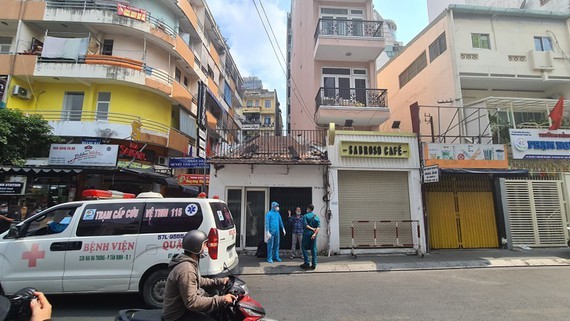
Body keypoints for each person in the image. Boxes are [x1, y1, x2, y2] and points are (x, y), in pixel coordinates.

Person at [162, 230, 236, 321]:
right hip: (177, 315)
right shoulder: (186, 269)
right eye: (205, 244)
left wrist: (220, 281)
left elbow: (199, 281)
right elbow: (192, 302)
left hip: (184, 308)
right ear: (196, 247)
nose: (206, 247)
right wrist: (222, 299)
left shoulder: (189, 262)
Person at [300, 204, 320, 270]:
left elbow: (305, 225)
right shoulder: (316, 217)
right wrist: (314, 234)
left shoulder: (305, 216)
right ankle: (314, 264)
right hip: (314, 234)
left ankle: (307, 263)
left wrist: (311, 229)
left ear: (308, 209)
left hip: (307, 234)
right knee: (313, 249)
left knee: (303, 247)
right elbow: (318, 227)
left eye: (307, 208)